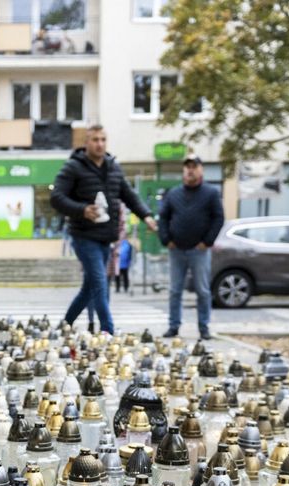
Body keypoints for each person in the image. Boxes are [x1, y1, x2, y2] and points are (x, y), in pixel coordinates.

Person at [51, 125, 158, 336]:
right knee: (101, 284)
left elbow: (129, 195)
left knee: (89, 288)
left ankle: (65, 325)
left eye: (103, 140)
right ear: (86, 143)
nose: (100, 144)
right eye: (95, 140)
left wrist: (146, 215)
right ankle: (108, 332)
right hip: (83, 236)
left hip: (106, 238)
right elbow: (57, 198)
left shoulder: (113, 168)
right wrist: (81, 210)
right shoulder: (73, 167)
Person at [158, 155, 225, 340]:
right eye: (187, 167)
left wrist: (207, 241)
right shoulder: (173, 193)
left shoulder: (210, 193)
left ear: (201, 169)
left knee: (202, 290)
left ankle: (203, 327)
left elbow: (218, 218)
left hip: (199, 250)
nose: (190, 170)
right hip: (176, 249)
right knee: (174, 291)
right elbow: (163, 217)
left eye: (194, 166)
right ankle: (173, 326)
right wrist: (166, 239)